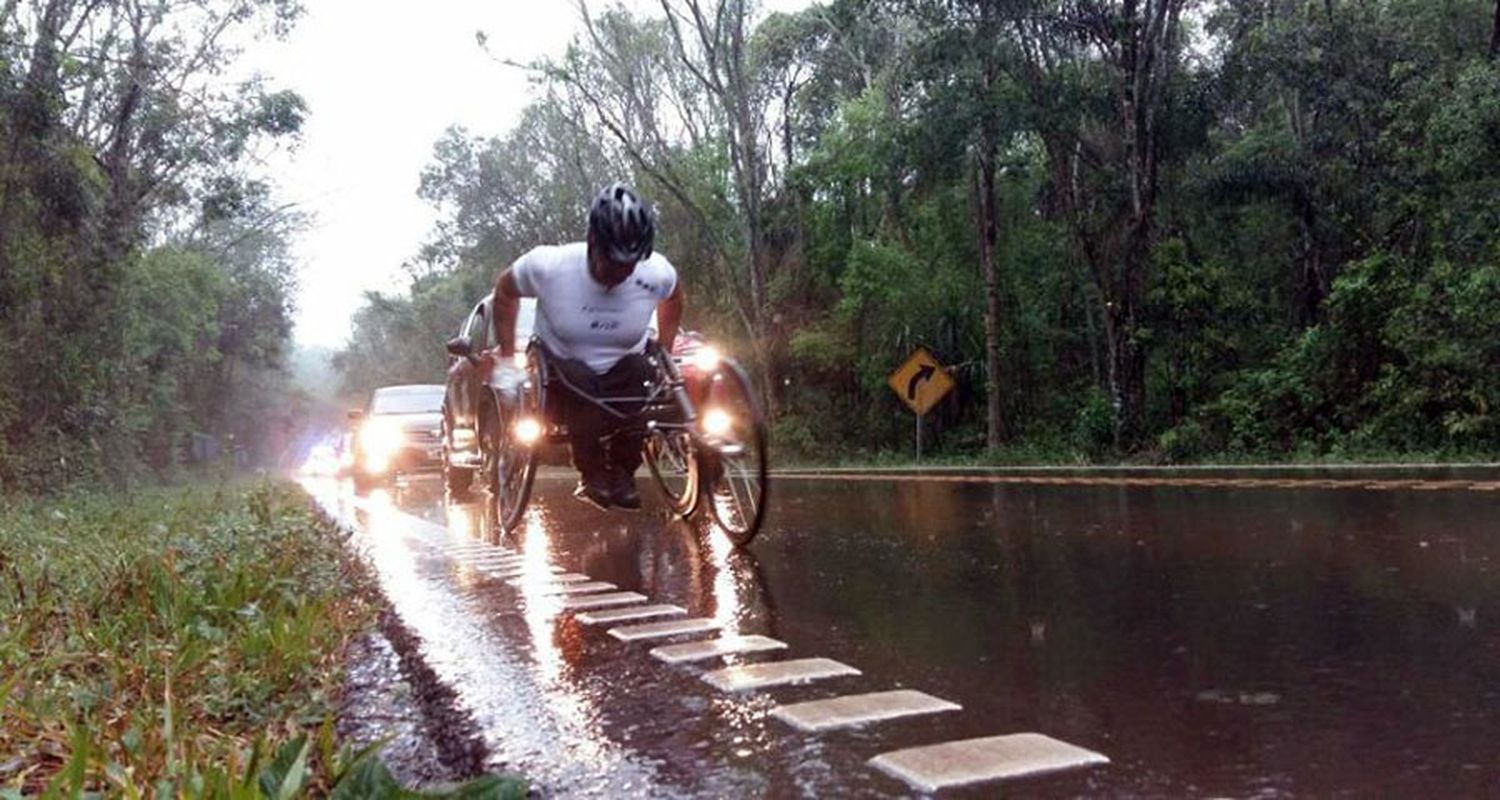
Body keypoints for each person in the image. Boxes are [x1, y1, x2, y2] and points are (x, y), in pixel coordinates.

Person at [491, 183, 684, 510]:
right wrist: (507, 362)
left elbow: (675, 297)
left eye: (629, 265)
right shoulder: (549, 266)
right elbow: (504, 292)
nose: (621, 274)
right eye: (613, 263)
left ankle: (623, 472)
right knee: (579, 380)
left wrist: (663, 349)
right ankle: (592, 471)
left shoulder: (655, 272)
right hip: (561, 374)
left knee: (641, 372)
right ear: (593, 243)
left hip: (624, 368)